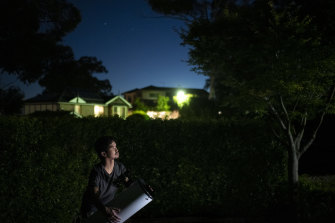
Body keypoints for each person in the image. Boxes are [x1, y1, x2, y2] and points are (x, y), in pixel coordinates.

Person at [79, 136, 131, 223]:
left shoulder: (120, 167)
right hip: (93, 211)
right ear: (104, 154)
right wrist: (105, 210)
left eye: (116, 146)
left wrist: (143, 188)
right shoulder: (97, 172)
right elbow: (94, 197)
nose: (116, 149)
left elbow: (129, 183)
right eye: (113, 147)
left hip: (107, 208)